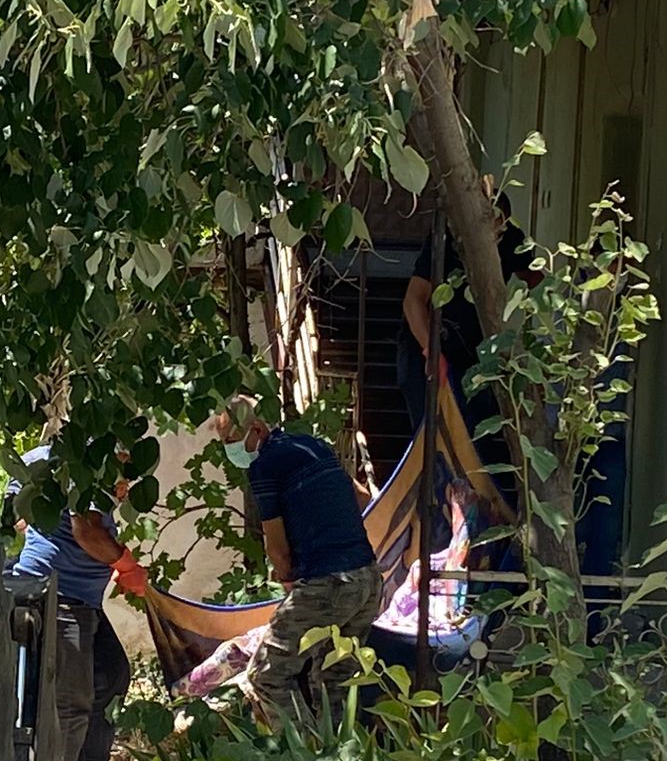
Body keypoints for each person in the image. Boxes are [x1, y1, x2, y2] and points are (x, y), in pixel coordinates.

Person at [207, 398, 383, 725]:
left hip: (327, 582)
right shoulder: (312, 445)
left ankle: (306, 759)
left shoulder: (266, 465)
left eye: (231, 441)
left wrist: (291, 578)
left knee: (266, 676)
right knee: (335, 677)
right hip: (368, 581)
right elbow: (361, 497)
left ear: (256, 430)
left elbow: (277, 549)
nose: (230, 451)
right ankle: (348, 759)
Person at [5, 446, 147, 761]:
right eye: (125, 474)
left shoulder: (66, 464)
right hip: (58, 597)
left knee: (113, 674)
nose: (126, 488)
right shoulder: (85, 470)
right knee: (70, 702)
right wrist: (124, 562)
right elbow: (86, 532)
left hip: (83, 601)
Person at [397, 190, 527, 435]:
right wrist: (431, 352)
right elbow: (413, 300)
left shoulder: (511, 240)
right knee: (431, 433)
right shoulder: (444, 239)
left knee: (473, 434)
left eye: (500, 226)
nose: (494, 233)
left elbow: (536, 281)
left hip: (475, 352)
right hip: (426, 345)